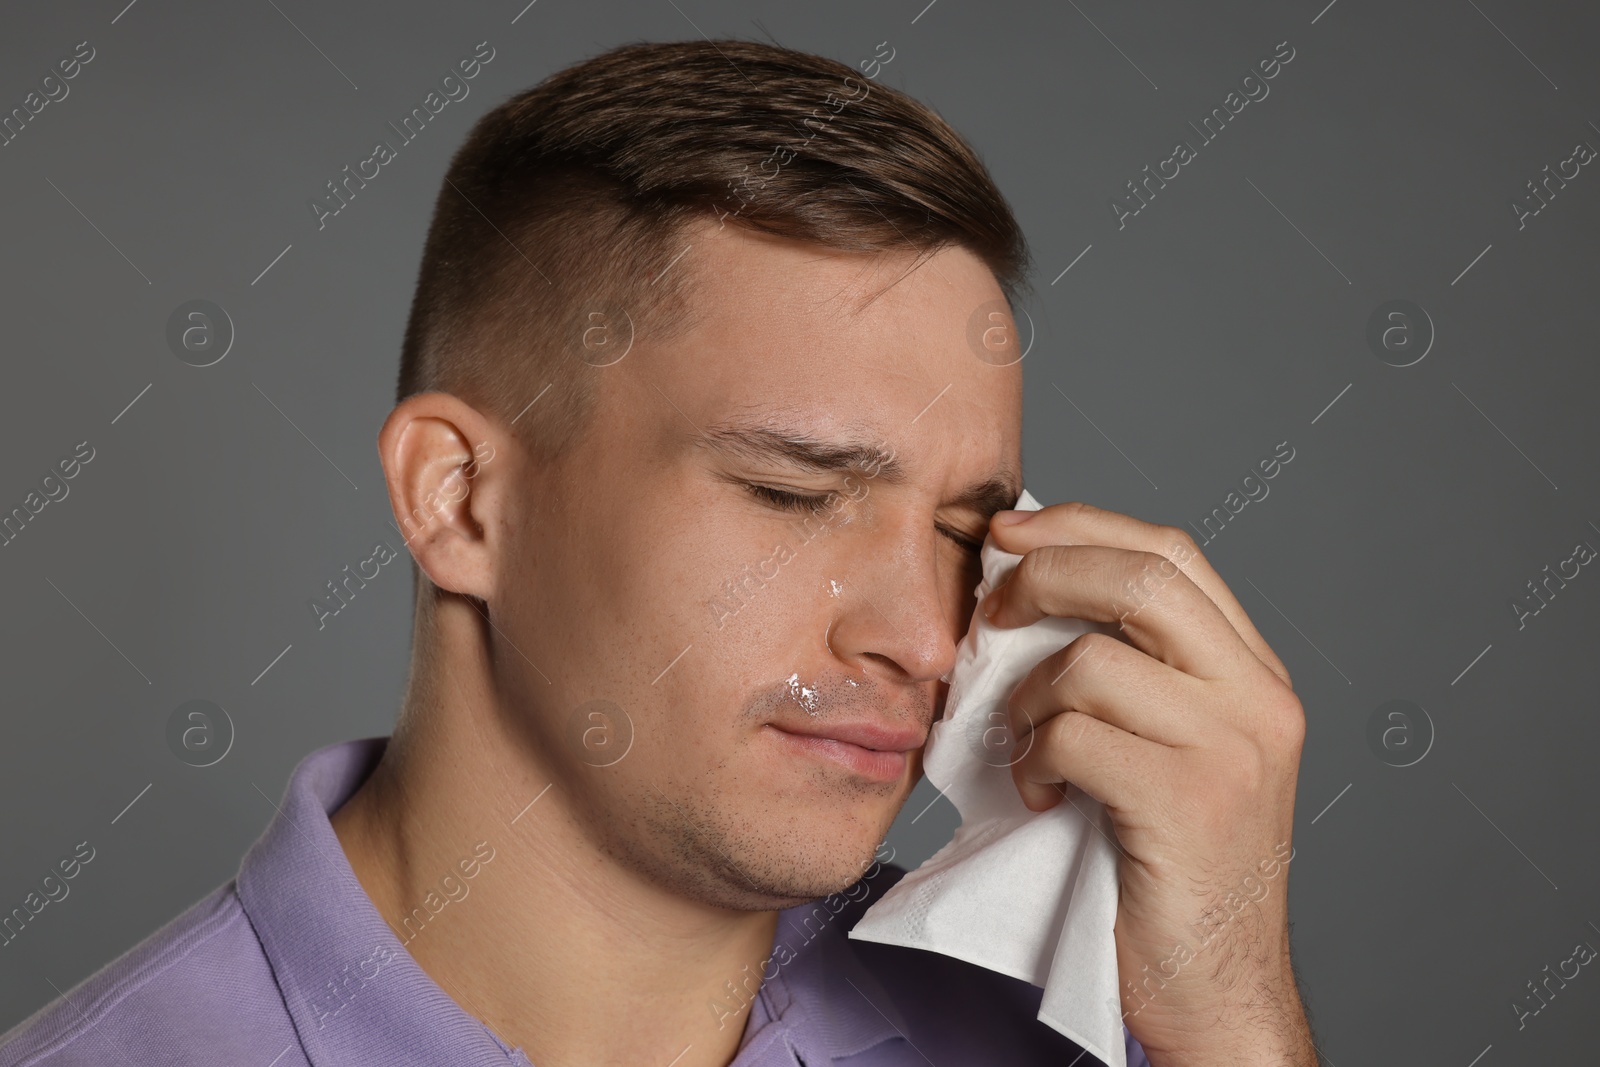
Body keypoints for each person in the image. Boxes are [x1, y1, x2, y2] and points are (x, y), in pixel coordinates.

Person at [0, 38, 1316, 1067]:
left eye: (967, 533)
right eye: (792, 493)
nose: (924, 641)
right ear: (459, 501)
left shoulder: (1094, 1041)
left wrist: (1236, 1027)